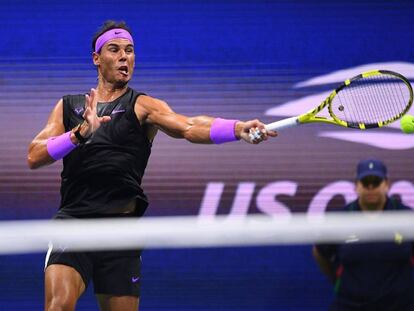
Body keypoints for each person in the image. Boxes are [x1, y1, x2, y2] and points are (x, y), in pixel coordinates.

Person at [26, 20, 277, 311]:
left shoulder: (143, 106)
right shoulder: (68, 106)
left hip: (121, 231)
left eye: (130, 51)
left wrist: (236, 128)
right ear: (96, 58)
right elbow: (34, 155)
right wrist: (78, 134)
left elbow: (188, 125)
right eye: (115, 49)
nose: (124, 57)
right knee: (57, 307)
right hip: (73, 224)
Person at [312, 159, 414, 311]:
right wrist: (337, 279)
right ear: (356, 186)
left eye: (376, 182)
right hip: (350, 305)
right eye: (365, 182)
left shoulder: (406, 217)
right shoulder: (340, 219)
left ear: (386, 184)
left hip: (400, 306)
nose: (370, 187)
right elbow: (319, 252)